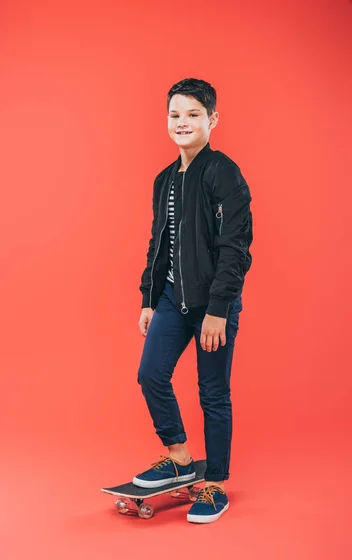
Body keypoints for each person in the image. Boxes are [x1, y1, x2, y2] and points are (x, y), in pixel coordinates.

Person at [133, 78, 253, 524]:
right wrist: (149, 298)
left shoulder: (223, 172)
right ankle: (181, 458)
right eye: (175, 115)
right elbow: (157, 244)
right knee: (150, 375)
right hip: (171, 299)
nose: (182, 123)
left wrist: (219, 309)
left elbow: (235, 247)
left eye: (193, 115)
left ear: (212, 120)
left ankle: (216, 483)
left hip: (212, 304)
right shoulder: (164, 179)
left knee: (213, 393)